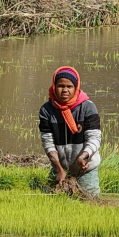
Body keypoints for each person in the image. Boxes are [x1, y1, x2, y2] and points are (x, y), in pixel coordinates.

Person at [39, 66, 101, 196]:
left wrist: (83, 157)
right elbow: (48, 143)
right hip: (60, 167)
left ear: (76, 87)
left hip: (86, 168)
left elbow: (94, 139)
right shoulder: (46, 110)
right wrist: (59, 169)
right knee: (51, 199)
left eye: (69, 86)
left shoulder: (88, 107)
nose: (65, 90)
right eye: (61, 86)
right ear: (54, 87)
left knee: (90, 200)